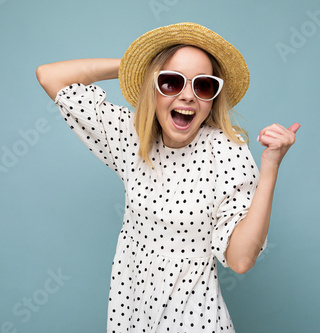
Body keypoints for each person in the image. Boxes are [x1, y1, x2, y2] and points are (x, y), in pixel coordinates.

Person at [36, 22, 299, 333]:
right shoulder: (131, 136)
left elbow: (241, 261)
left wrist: (270, 168)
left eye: (202, 86)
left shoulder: (225, 151)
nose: (188, 96)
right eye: (172, 82)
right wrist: (141, 67)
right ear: (155, 87)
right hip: (131, 320)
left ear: (213, 97)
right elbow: (50, 76)